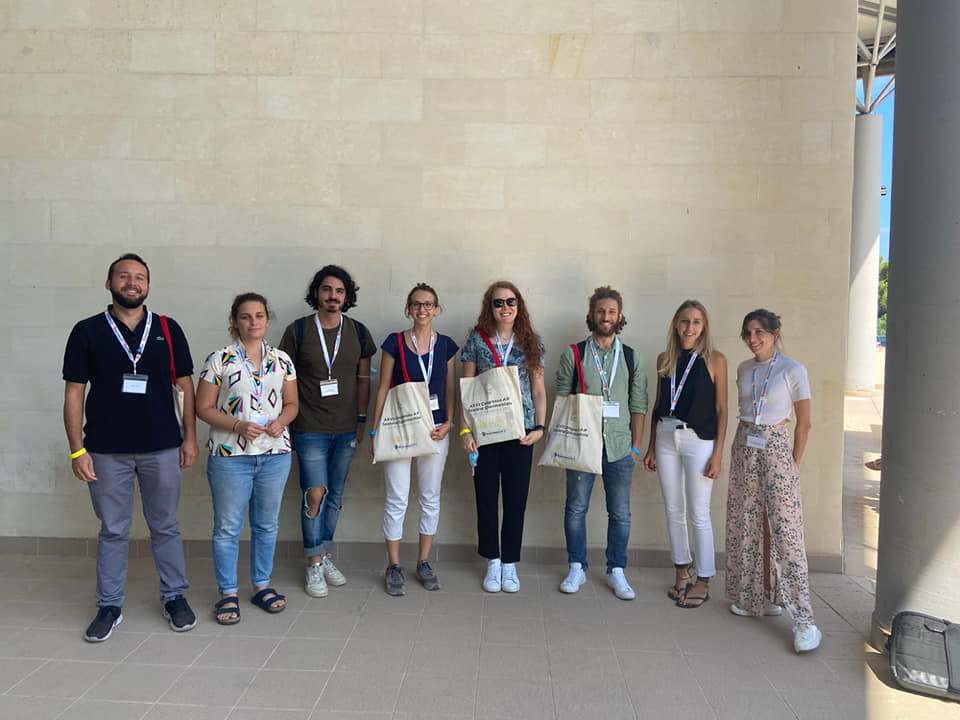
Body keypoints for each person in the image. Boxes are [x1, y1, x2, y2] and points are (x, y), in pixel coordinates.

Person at [62, 253, 199, 642]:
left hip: (162, 447)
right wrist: (77, 450)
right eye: (123, 276)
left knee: (165, 526)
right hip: (105, 450)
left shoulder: (168, 329)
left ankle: (174, 597)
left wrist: (190, 436)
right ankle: (109, 605)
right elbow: (74, 393)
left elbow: (184, 386)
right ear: (109, 284)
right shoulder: (87, 331)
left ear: (148, 286)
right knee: (113, 530)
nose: (132, 282)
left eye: (139, 277)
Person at [195, 293, 299, 625]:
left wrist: (281, 421)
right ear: (235, 322)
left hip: (274, 454)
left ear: (267, 320)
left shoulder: (282, 360)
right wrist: (237, 425)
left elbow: (292, 404)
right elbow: (202, 407)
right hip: (231, 455)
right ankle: (228, 593)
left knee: (266, 525)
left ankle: (261, 586)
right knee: (227, 527)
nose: (253, 322)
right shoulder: (219, 359)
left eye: (259, 316)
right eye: (245, 316)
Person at [725, 309, 821, 653]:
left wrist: (793, 464)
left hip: (777, 445)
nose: (753, 339)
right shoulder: (744, 369)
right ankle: (757, 597)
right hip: (745, 443)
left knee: (785, 530)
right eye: (748, 333)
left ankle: (805, 620)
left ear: (774, 333)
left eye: (760, 332)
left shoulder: (793, 369)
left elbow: (804, 423)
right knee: (747, 522)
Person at [279, 265, 376, 598]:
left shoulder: (359, 332)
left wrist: (361, 421)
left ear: (346, 297)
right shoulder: (298, 331)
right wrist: (286, 423)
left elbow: (364, 380)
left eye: (339, 291)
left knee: (334, 496)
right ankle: (314, 563)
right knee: (315, 494)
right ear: (316, 293)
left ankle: (322, 554)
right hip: (309, 428)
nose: (333, 296)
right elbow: (284, 379)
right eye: (326, 289)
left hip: (346, 429)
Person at [555, 287, 647, 600]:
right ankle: (576, 567)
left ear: (620, 316)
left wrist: (636, 446)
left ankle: (616, 569)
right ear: (591, 315)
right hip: (583, 444)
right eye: (600, 311)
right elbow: (561, 400)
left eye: (611, 312)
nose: (606, 317)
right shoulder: (574, 353)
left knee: (620, 512)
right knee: (575, 508)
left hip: (620, 447)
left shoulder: (632, 357)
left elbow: (638, 403)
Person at [368, 283, 458, 596]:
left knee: (430, 497)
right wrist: (375, 430)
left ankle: (423, 561)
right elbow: (383, 387)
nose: (422, 309)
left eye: (428, 304)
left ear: (436, 309)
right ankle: (393, 564)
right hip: (400, 429)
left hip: (435, 430)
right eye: (417, 304)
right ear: (409, 308)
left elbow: (450, 388)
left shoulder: (446, 345)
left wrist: (449, 423)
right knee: (397, 498)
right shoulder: (394, 342)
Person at [460, 281, 546, 593]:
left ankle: (510, 562)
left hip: (521, 432)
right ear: (490, 307)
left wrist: (540, 428)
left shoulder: (531, 341)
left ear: (519, 306)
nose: (505, 307)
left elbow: (538, 389)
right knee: (485, 498)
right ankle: (492, 561)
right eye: (498, 302)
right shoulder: (476, 340)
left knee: (515, 500)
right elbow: (466, 389)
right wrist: (465, 430)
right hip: (484, 432)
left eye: (511, 301)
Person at [643, 300, 727, 609]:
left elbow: (722, 409)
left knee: (699, 512)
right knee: (673, 509)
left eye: (696, 322)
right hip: (666, 438)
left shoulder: (715, 359)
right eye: (684, 321)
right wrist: (651, 446)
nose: (690, 327)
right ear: (676, 325)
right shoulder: (665, 359)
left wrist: (718, 454)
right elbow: (658, 404)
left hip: (699, 440)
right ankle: (682, 571)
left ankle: (703, 579)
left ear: (704, 327)